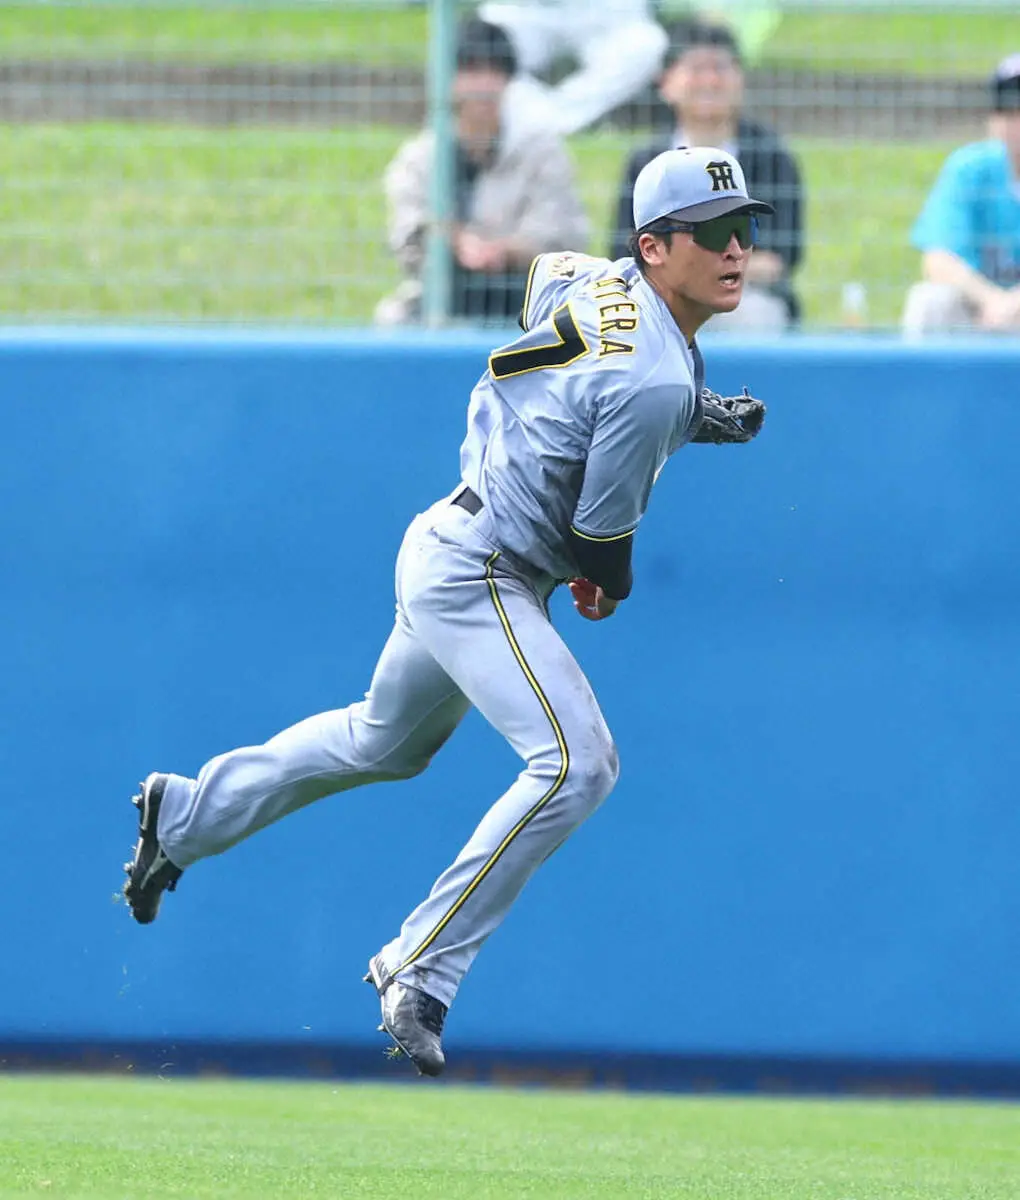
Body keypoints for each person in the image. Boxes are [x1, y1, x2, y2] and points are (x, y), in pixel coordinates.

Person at [123, 146, 770, 1077]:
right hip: (485, 572)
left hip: (446, 539)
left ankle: (186, 816)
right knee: (578, 766)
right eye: (711, 234)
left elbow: (551, 292)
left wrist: (691, 413)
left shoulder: (594, 279)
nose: (736, 250)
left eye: (744, 229)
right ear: (655, 247)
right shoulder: (659, 380)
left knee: (383, 742)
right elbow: (601, 542)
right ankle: (423, 963)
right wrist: (605, 579)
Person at [375, 17, 588, 326]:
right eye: (471, 70)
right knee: (393, 322)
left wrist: (504, 251)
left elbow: (561, 232)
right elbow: (407, 233)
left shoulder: (543, 152)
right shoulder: (421, 157)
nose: (484, 85)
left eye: (495, 71)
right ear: (448, 78)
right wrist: (455, 241)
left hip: (527, 294)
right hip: (442, 294)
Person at [609, 19, 803, 331]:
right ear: (666, 82)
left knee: (757, 316)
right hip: (660, 298)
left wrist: (691, 269)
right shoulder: (645, 162)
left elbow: (780, 259)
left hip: (744, 297)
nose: (711, 81)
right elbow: (624, 254)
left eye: (722, 68)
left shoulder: (772, 156)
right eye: (697, 68)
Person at [903, 53, 1020, 335]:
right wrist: (994, 301)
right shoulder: (970, 169)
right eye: (1009, 110)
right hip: (982, 311)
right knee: (930, 301)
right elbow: (938, 259)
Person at [478, 0, 667, 136]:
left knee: (646, 43)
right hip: (535, 10)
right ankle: (528, 117)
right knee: (489, 22)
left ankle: (553, 125)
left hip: (605, 12)